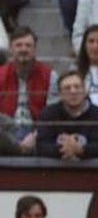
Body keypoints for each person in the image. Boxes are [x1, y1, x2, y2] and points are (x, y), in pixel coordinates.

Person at [0, 27, 59, 157]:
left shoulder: (50, 75)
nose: (23, 49)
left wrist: (35, 135)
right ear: (11, 49)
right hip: (6, 131)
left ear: (34, 49)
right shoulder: (0, 74)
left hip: (36, 131)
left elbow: (53, 114)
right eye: (18, 45)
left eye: (28, 45)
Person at [35, 70, 98, 159]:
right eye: (67, 88)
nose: (73, 91)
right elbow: (42, 145)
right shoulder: (48, 113)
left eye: (77, 87)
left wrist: (80, 149)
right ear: (60, 94)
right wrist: (65, 148)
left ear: (85, 91)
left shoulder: (97, 114)